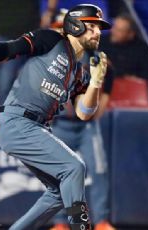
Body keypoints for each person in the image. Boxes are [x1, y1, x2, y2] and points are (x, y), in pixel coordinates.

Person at [0, 3, 110, 230]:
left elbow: (84, 113)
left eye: (99, 29)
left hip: (36, 127)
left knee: (58, 193)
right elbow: (10, 49)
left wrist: (95, 82)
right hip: (17, 121)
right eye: (92, 27)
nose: (98, 32)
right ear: (75, 25)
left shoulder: (79, 71)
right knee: (75, 167)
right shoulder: (51, 40)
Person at [47, 10, 116, 230]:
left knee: (98, 171)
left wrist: (97, 112)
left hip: (86, 126)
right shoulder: (47, 57)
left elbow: (109, 80)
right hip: (60, 124)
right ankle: (61, 223)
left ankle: (102, 221)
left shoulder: (93, 55)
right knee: (58, 175)